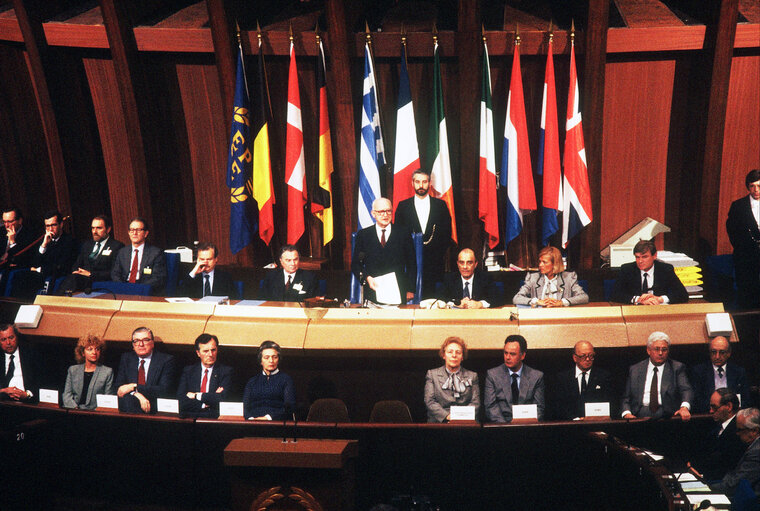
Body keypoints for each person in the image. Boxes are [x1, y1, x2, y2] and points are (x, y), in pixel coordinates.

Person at [394, 169, 452, 298]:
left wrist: (435, 254)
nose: (421, 185)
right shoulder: (403, 207)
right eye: (417, 182)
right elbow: (398, 236)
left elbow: (446, 235)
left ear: (430, 183)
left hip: (435, 265)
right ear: (412, 183)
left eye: (424, 182)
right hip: (409, 266)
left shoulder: (440, 206)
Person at [351, 197, 417, 304]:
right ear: (373, 213)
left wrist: (410, 290)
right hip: (373, 292)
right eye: (381, 212)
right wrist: (367, 278)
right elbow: (356, 264)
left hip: (398, 292)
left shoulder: (403, 234)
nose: (385, 215)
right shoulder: (364, 235)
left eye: (388, 211)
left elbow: (411, 264)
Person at [621, 331, 693, 420]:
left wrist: (684, 407)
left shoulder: (676, 368)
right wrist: (626, 413)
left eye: (664, 349)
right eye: (656, 349)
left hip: (667, 415)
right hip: (639, 415)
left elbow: (686, 390)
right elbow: (626, 398)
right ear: (648, 350)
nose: (660, 353)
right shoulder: (635, 369)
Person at [688, 389, 747, 482]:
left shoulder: (739, 431)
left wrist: (702, 476)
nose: (711, 411)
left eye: (714, 407)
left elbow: (726, 466)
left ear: (728, 406)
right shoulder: (716, 428)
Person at [114, 326, 176, 414]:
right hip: (130, 407)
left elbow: (164, 390)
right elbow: (119, 387)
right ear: (133, 345)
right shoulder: (127, 358)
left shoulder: (166, 360)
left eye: (145, 340)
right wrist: (136, 394)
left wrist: (134, 387)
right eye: (136, 341)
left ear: (153, 343)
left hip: (154, 408)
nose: (141, 344)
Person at [484, 335, 545, 422]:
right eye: (505, 353)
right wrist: (507, 427)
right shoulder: (493, 375)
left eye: (512, 354)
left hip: (527, 427)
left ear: (523, 356)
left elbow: (539, 408)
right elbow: (490, 407)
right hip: (501, 427)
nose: (508, 357)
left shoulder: (536, 376)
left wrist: (521, 424)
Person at [59, 214, 124, 293]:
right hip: (82, 280)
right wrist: (78, 271)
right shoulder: (87, 245)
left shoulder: (117, 246)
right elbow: (76, 265)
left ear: (108, 229)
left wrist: (90, 274)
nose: (94, 231)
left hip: (100, 281)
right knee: (69, 278)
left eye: (99, 228)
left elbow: (114, 272)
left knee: (72, 281)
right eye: (93, 228)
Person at [610, 239, 688, 305]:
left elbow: (682, 295)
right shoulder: (627, 269)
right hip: (633, 312)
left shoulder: (665, 269)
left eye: (644, 257)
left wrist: (660, 299)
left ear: (654, 256)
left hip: (658, 311)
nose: (640, 261)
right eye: (637, 257)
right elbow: (615, 295)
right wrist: (639, 299)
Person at [551, 341, 613, 420]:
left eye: (591, 356)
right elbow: (559, 406)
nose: (588, 359)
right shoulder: (563, 378)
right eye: (583, 356)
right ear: (575, 358)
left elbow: (610, 403)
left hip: (597, 423)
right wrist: (576, 419)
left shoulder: (604, 377)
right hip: (570, 426)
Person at [424, 336, 480, 423]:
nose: (454, 355)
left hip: (465, 422)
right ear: (443, 355)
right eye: (450, 352)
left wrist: (461, 418)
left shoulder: (472, 376)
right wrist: (448, 416)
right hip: (439, 422)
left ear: (462, 357)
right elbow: (430, 401)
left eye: (458, 352)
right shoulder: (432, 374)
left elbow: (475, 402)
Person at [177, 333, 233, 418]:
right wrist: (205, 403)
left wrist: (196, 396)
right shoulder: (189, 371)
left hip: (214, 420)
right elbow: (181, 400)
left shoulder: (226, 372)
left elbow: (222, 399)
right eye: (206, 351)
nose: (210, 354)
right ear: (198, 353)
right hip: (191, 418)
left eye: (213, 350)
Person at [726, 169, 760, 309]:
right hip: (746, 258)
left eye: (759, 186)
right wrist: (745, 248)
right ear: (748, 187)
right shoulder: (738, 206)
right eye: (752, 186)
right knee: (747, 297)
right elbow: (732, 231)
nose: (756, 190)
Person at [512, 246, 588, 307]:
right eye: (540, 261)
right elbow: (517, 298)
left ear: (555, 264)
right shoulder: (533, 278)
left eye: (544, 262)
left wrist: (562, 302)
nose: (540, 265)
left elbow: (584, 297)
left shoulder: (569, 278)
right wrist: (537, 301)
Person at [690, 336, 749, 414]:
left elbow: (746, 400)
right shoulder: (699, 371)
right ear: (709, 352)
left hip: (732, 414)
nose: (717, 356)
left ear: (729, 353)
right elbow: (697, 400)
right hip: (708, 415)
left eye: (722, 352)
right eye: (714, 352)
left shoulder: (738, 372)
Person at [710, 407, 760, 498]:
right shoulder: (753, 446)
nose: (737, 433)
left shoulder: (756, 452)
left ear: (754, 431)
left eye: (740, 430)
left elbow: (735, 485)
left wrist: (707, 488)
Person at [111, 217, 167, 294]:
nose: (134, 233)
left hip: (143, 289)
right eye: (132, 230)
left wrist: (137, 288)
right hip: (124, 288)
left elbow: (158, 278)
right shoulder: (122, 252)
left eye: (138, 230)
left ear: (146, 233)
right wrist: (123, 287)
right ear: (129, 233)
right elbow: (115, 273)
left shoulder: (156, 253)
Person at [243, 341, 295, 420]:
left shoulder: (286, 379)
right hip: (253, 423)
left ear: (279, 359)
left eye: (274, 357)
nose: (271, 361)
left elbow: (289, 407)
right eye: (266, 357)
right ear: (261, 361)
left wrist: (267, 418)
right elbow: (245, 407)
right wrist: (251, 419)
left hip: (276, 423)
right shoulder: (252, 381)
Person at [62, 334, 114, 410]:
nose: (94, 352)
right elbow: (67, 395)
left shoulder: (107, 372)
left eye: (97, 349)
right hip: (73, 412)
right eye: (90, 349)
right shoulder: (73, 370)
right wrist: (75, 408)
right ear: (83, 353)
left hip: (95, 415)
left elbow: (108, 398)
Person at [32, 210, 78, 283]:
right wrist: (44, 245)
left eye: (53, 225)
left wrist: (40, 269)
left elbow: (61, 267)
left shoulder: (70, 241)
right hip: (44, 278)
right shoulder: (44, 241)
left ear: (61, 224)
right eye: (47, 226)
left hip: (61, 280)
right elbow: (35, 264)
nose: (50, 229)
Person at [0, 323, 40, 402]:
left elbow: (41, 383)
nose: (8, 343)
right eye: (3, 339)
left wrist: (27, 395)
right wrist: (3, 391)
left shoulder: (31, 355)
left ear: (17, 337)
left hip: (27, 403)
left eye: (11, 338)